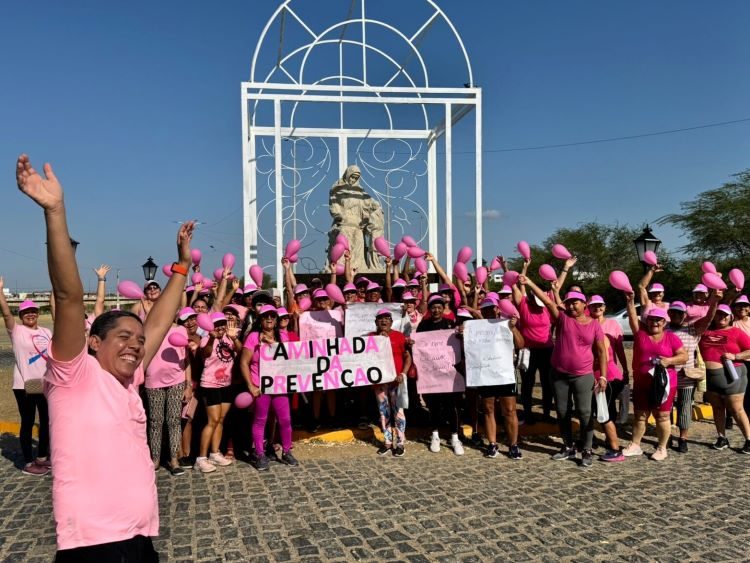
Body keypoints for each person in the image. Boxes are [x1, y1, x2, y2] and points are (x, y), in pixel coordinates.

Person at [16, 154, 192, 560]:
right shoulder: (73, 376)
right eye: (123, 337)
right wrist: (56, 212)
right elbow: (67, 295)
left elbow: (162, 319)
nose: (135, 343)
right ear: (93, 342)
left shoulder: (130, 380)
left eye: (138, 339)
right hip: (93, 547)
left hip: (140, 538)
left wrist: (181, 266)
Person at [521, 276, 607, 468]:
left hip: (583, 375)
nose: (570, 307)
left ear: (584, 303)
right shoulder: (563, 318)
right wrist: (529, 282)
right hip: (559, 374)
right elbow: (547, 300)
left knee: (585, 413)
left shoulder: (594, 324)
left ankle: (586, 449)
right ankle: (568, 446)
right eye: (568, 303)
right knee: (562, 411)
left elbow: (601, 351)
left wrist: (602, 375)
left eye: (574, 303)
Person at [622, 295, 687, 461]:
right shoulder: (640, 334)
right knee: (640, 415)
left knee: (662, 416)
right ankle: (635, 444)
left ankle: (662, 447)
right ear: (647, 320)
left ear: (664, 322)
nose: (655, 323)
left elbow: (684, 356)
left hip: (664, 385)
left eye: (659, 320)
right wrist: (630, 302)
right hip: (642, 384)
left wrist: (669, 361)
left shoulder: (671, 337)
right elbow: (631, 317)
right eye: (652, 320)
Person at [0, 287, 52, 475]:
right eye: (26, 312)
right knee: (28, 421)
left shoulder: (47, 331)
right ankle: (28, 462)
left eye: (33, 311)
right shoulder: (17, 331)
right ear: (21, 315)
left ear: (37, 313)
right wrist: (0, 293)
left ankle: (42, 457)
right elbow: (6, 314)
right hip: (24, 384)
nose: (30, 314)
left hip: (45, 382)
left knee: (46, 420)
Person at [240, 305, 298, 470]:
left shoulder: (283, 336)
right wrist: (250, 385)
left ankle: (287, 452)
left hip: (279, 386)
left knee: (285, 420)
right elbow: (244, 362)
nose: (269, 319)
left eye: (273, 316)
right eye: (266, 316)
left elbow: (290, 359)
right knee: (260, 420)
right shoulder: (253, 337)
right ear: (260, 319)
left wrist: (272, 343)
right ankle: (259, 454)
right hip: (260, 386)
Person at [474, 299, 524, 460]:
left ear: (497, 308)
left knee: (509, 410)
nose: (488, 311)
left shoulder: (507, 324)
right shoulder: (477, 327)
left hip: (504, 373)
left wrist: (513, 328)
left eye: (491, 307)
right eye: (485, 308)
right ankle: (492, 444)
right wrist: (463, 334)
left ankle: (513, 445)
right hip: (486, 373)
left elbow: (521, 344)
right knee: (488, 409)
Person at [416, 294, 464, 455]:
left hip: (448, 372)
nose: (436, 310)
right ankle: (435, 435)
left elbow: (458, 346)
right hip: (431, 374)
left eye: (439, 307)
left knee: (452, 406)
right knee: (434, 406)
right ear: (429, 309)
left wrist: (460, 335)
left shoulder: (451, 325)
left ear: (444, 309)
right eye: (433, 307)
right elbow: (418, 345)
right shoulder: (423, 325)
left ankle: (455, 437)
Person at [698, 304, 750, 452]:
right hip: (709, 379)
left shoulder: (736, 332)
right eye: (718, 314)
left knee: (736, 409)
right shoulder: (706, 331)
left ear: (730, 317)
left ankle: (749, 440)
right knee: (717, 408)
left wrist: (736, 356)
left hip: (733, 376)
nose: (721, 317)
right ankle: (722, 438)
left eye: (724, 315)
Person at [666, 299, 715, 453]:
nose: (675, 315)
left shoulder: (693, 329)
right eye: (673, 312)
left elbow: (708, 318)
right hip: (667, 376)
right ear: (668, 313)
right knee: (666, 407)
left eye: (679, 313)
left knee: (685, 406)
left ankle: (683, 439)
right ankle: (666, 436)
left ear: (684, 315)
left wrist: (715, 300)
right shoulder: (662, 328)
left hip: (686, 375)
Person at [194, 312, 241, 473]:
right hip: (210, 384)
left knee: (221, 419)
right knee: (212, 420)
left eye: (223, 323)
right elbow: (206, 353)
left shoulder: (228, 338)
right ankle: (201, 458)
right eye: (217, 324)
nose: (220, 327)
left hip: (226, 384)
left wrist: (234, 338)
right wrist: (213, 337)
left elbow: (241, 352)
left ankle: (214, 453)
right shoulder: (206, 339)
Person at [144, 321, 192, 476]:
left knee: (174, 421)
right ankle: (155, 460)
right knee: (155, 422)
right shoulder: (149, 328)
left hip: (177, 380)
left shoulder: (181, 330)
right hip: (153, 381)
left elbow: (187, 359)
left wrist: (188, 385)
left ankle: (174, 460)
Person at [586, 295, 628, 461]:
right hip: (602, 377)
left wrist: (625, 369)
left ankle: (615, 449)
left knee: (605, 415)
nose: (597, 308)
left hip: (607, 377)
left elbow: (613, 351)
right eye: (593, 305)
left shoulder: (603, 329)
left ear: (604, 307)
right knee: (604, 412)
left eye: (600, 305)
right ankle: (610, 444)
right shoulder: (590, 324)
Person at [512, 265, 554, 424]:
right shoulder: (523, 305)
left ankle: (547, 414)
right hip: (528, 351)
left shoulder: (547, 308)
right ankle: (528, 414)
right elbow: (516, 285)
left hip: (547, 351)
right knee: (527, 384)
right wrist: (515, 269)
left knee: (547, 384)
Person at [370, 309, 411, 457]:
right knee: (383, 412)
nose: (384, 321)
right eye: (380, 318)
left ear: (391, 322)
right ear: (376, 322)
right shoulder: (369, 338)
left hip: (396, 381)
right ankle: (387, 442)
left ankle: (400, 443)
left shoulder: (399, 337)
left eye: (387, 318)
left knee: (398, 412)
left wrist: (403, 374)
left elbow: (408, 357)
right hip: (380, 383)